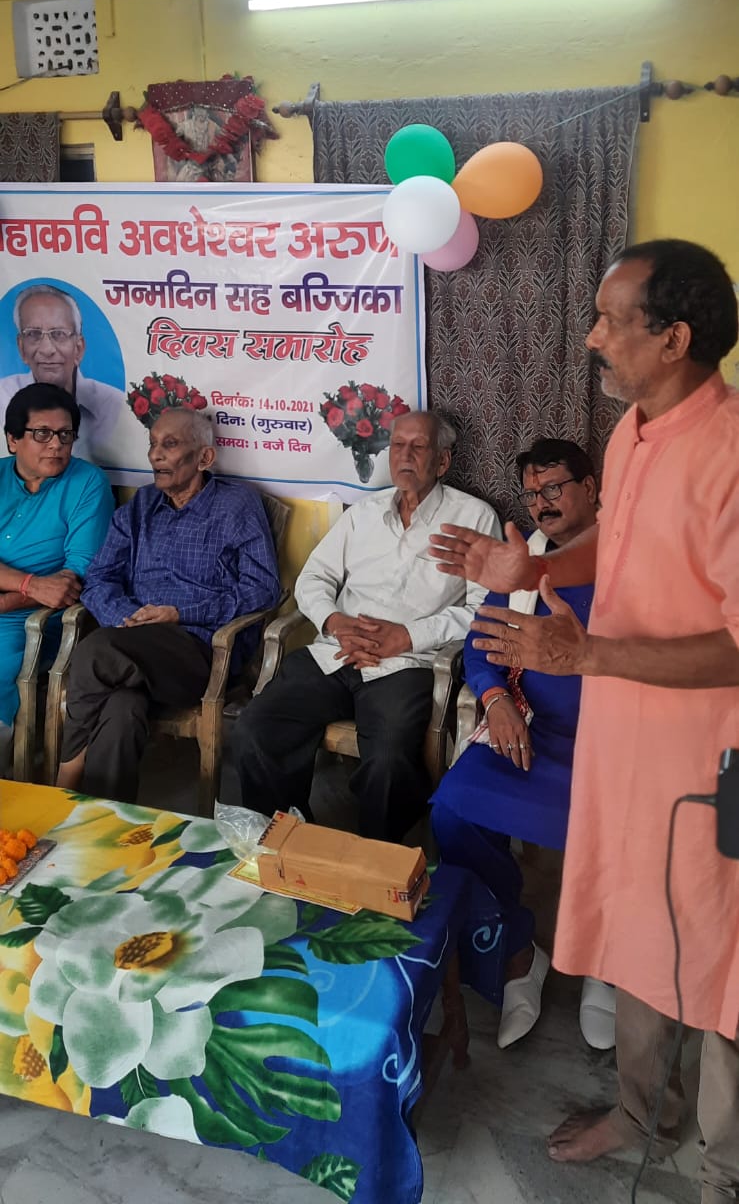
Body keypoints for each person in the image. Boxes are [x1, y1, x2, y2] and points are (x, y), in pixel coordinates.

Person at [429, 239, 739, 1203]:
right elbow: (619, 542)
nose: (592, 337)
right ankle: (644, 1116)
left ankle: (721, 1168)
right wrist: (533, 569)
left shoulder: (729, 455)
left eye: (610, 320)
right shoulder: (632, 433)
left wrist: (589, 657)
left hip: (706, 763)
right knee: (644, 937)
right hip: (624, 745)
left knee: (717, 958)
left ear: (673, 338)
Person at [233, 410, 502, 842]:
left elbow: (483, 609)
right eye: (397, 445)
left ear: (442, 461)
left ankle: (377, 856)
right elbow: (314, 578)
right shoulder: (364, 512)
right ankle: (288, 842)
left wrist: (406, 636)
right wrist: (335, 621)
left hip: (407, 664)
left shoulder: (473, 518)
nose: (404, 456)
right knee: (255, 728)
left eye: (418, 446)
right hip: (336, 652)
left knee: (390, 759)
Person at [431, 438, 608, 1047]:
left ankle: (606, 961)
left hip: (616, 743)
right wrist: (496, 700)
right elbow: (481, 643)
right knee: (454, 810)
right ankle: (515, 946)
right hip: (534, 733)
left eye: (554, 487)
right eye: (531, 494)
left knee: (625, 830)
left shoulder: (630, 557)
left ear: (591, 487)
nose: (541, 504)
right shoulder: (525, 560)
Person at [56, 406, 281, 804]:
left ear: (204, 457)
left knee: (96, 651)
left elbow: (262, 589)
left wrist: (180, 614)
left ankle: (64, 778)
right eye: (153, 444)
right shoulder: (141, 506)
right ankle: (102, 819)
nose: (155, 455)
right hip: (131, 644)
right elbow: (100, 577)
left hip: (200, 652)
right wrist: (126, 620)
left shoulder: (236, 506)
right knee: (122, 710)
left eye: (170, 444)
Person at [0, 382, 114, 770]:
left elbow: (74, 578)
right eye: (42, 434)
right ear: (13, 439)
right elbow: (45, 585)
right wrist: (29, 583)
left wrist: (9, 601)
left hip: (33, 621)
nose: (56, 445)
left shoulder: (87, 483)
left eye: (65, 435)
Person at [0, 284, 123, 459]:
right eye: (34, 334)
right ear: (21, 348)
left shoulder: (114, 405)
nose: (47, 349)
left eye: (59, 334)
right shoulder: (2, 397)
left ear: (78, 348)